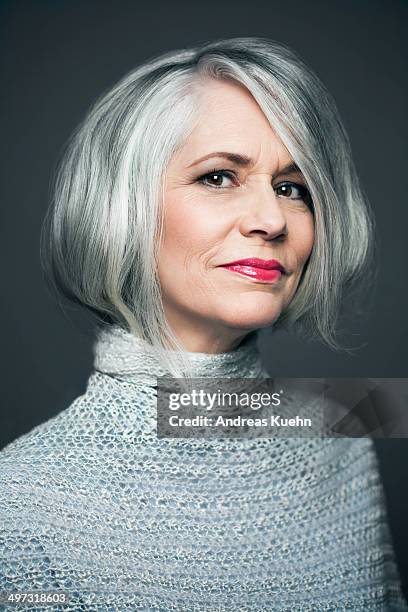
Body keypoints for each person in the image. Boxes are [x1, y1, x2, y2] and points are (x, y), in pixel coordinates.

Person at [0, 37, 406, 610]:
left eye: (293, 188)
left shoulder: (342, 438)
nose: (271, 220)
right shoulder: (18, 505)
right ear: (122, 206)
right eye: (219, 177)